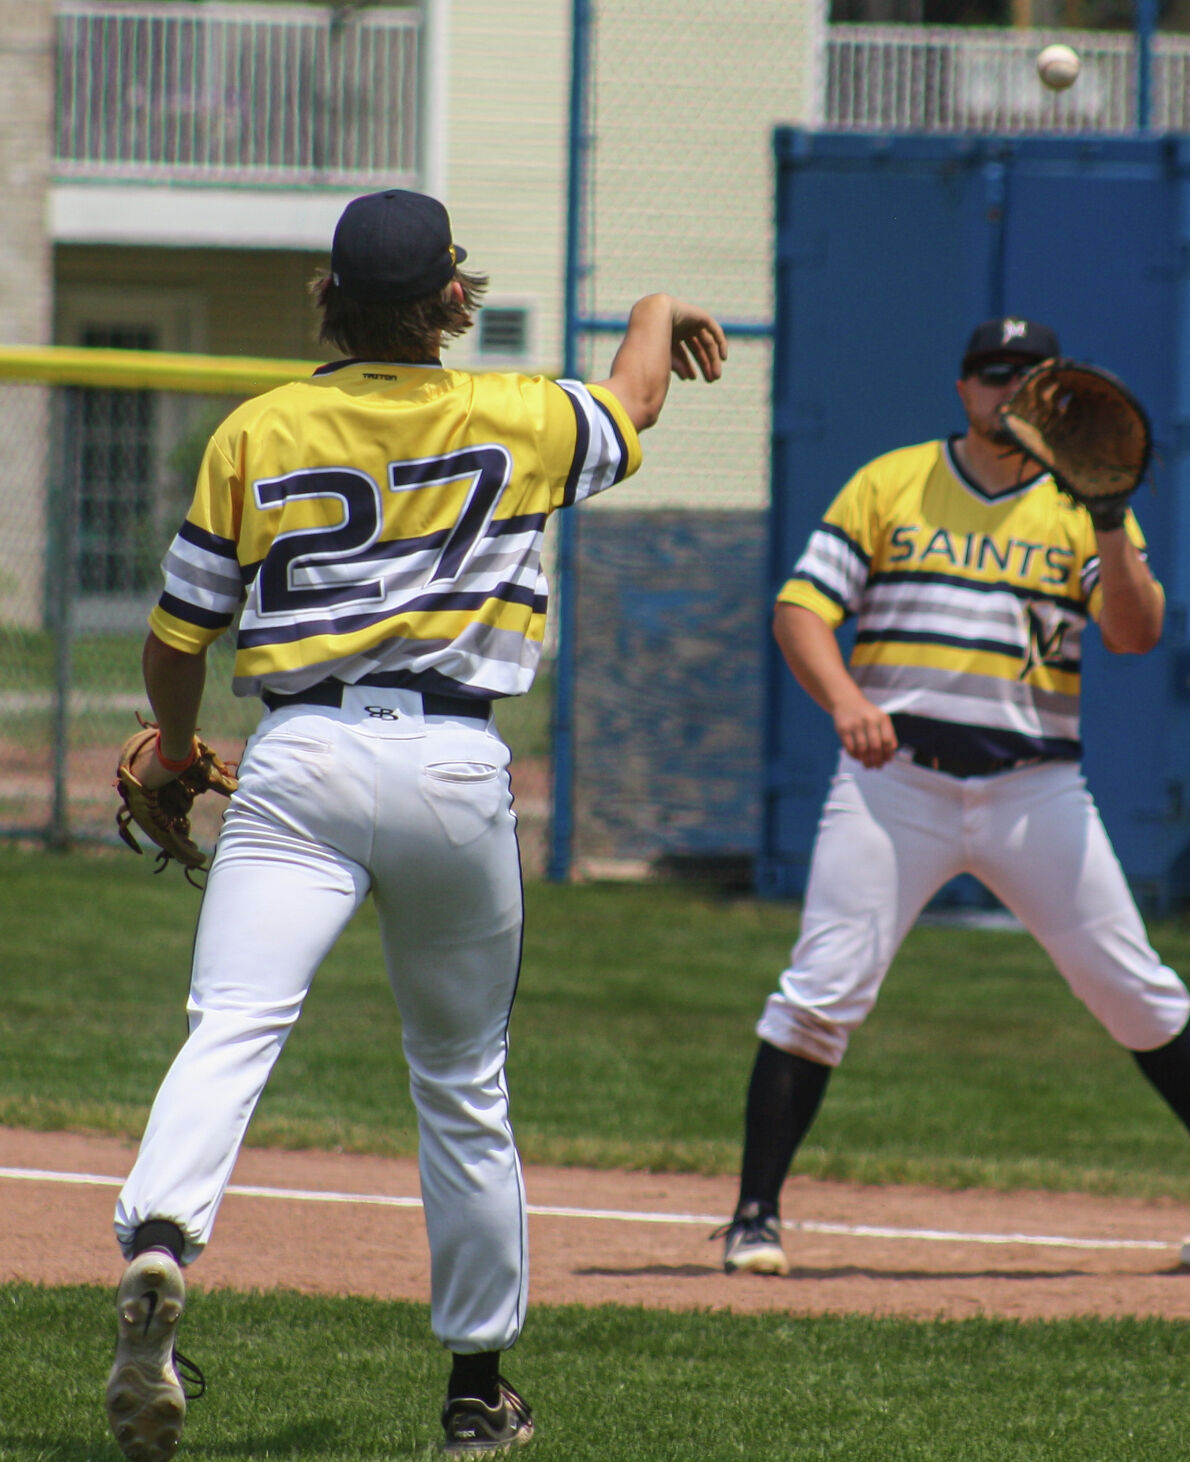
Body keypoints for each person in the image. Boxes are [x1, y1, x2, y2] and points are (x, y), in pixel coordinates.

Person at [103, 188, 726, 1461]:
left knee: (232, 1026)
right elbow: (640, 394)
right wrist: (657, 308)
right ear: (454, 300)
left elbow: (177, 639)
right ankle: (474, 1389)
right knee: (460, 1082)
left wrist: (174, 750)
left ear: (329, 299)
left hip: (298, 757)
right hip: (451, 764)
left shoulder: (259, 427)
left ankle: (161, 1242)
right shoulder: (523, 412)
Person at [715, 316, 1190, 1276]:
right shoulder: (892, 481)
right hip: (896, 787)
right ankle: (754, 1216)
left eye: (1026, 377)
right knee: (819, 995)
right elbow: (800, 610)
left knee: (1133, 990)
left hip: (1035, 790)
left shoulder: (1081, 503)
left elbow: (1137, 635)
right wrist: (848, 700)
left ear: (1054, 395)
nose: (1004, 391)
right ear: (962, 388)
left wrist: (1110, 512)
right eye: (990, 375)